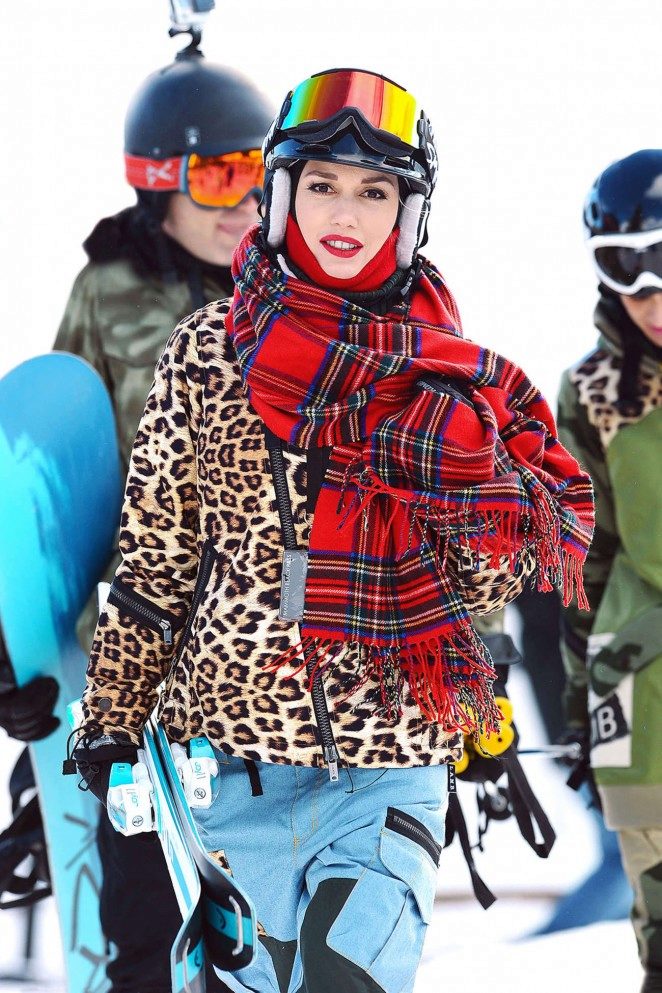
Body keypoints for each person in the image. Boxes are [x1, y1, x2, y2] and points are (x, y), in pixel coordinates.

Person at [73, 67, 595, 993]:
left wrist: (480, 691)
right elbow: (155, 563)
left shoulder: (446, 379)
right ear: (281, 195)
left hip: (387, 763)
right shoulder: (205, 355)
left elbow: (473, 591)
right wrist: (111, 716)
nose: (345, 212)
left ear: (408, 213)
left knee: (343, 978)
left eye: (374, 191)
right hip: (230, 770)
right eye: (322, 184)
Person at [35, 46, 270, 993]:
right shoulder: (108, 291)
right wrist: (27, 655)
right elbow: (59, 476)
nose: (244, 202)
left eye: (260, 173)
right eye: (218, 175)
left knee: (265, 933)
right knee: (144, 930)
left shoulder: (299, 293)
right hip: (142, 667)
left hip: (269, 657)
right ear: (158, 179)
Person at [557, 148, 662, 993]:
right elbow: (581, 563)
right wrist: (578, 708)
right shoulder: (593, 390)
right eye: (631, 280)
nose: (653, 304)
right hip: (637, 684)